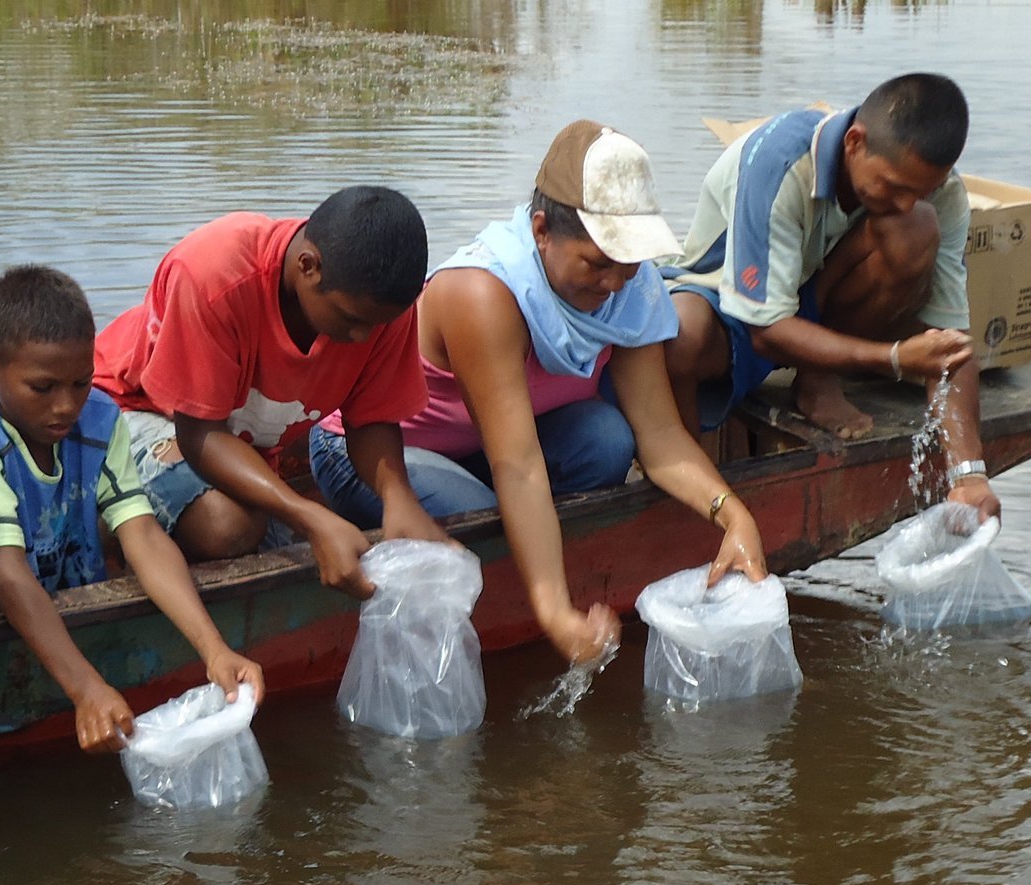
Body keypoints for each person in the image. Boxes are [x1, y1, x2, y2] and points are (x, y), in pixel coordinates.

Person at [312, 121, 771, 665]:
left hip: (487, 448)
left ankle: (532, 547)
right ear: (540, 231)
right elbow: (520, 465)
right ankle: (526, 572)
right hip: (375, 454)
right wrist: (553, 612)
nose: (612, 284)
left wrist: (735, 517)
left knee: (607, 439)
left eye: (627, 263)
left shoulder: (633, 286)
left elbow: (661, 435)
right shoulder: (482, 292)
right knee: (484, 522)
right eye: (597, 263)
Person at [0, 265, 264, 753]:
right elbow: (8, 576)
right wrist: (86, 689)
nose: (65, 407)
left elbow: (140, 532)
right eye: (43, 388)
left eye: (80, 383)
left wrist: (214, 649)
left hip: (69, 622)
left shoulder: (99, 416)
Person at [664, 73, 1002, 521]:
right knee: (679, 337)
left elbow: (951, 344)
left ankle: (817, 376)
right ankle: (684, 488)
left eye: (922, 191)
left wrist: (970, 475)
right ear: (855, 143)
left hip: (817, 302)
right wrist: (895, 357)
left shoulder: (939, 192)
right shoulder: (781, 162)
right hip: (735, 308)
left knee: (914, 230)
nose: (906, 202)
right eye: (895, 187)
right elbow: (764, 330)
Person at [92, 186, 450, 600]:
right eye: (351, 320)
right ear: (307, 266)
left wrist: (398, 498)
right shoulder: (214, 274)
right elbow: (199, 433)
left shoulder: (379, 309)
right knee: (228, 527)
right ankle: (108, 519)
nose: (362, 337)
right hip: (129, 409)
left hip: (235, 436)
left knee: (293, 545)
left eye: (375, 326)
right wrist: (308, 516)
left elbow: (372, 418)